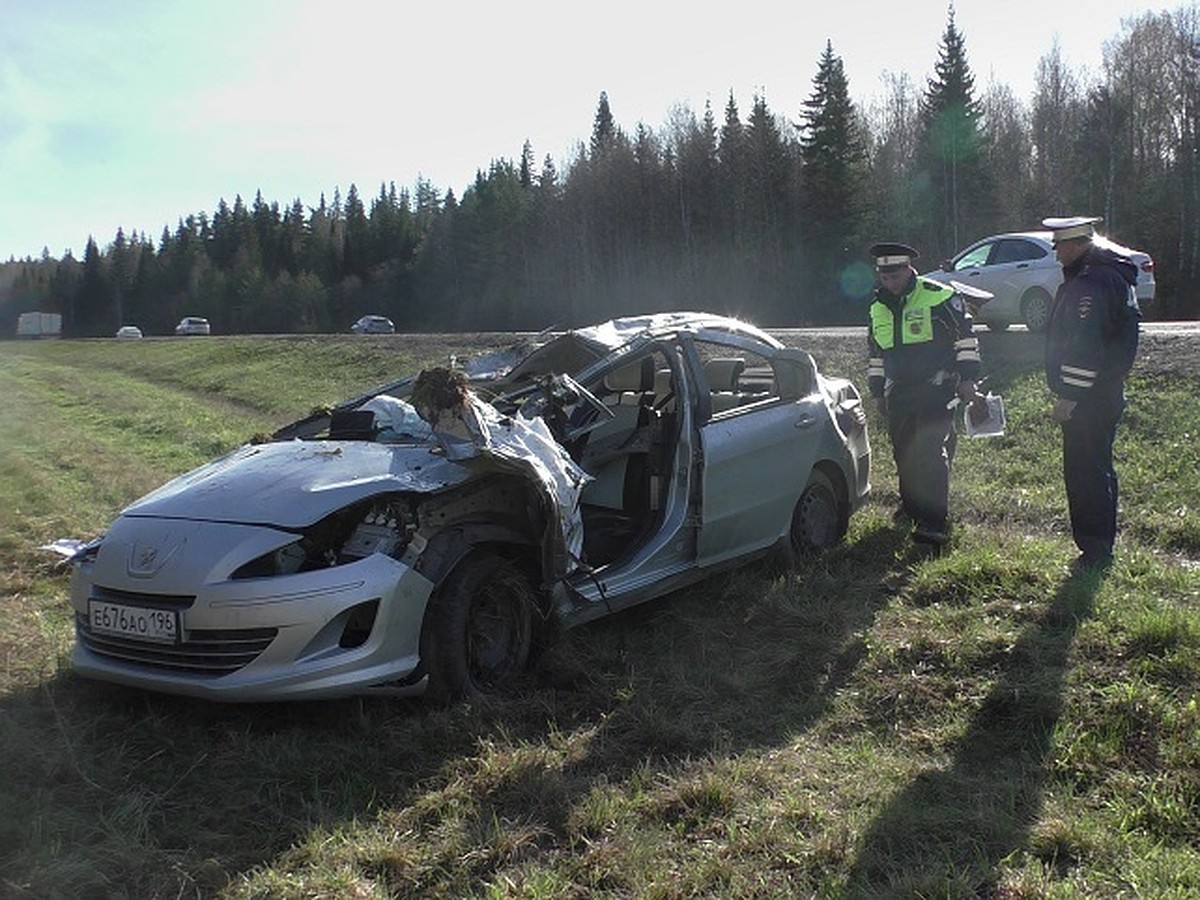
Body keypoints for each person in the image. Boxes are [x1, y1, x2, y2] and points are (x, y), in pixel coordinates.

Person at [866, 242, 982, 545]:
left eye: (895, 275)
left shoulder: (938, 296)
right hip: (899, 392)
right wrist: (877, 392)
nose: (890, 281)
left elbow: (965, 340)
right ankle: (912, 509)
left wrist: (968, 378)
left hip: (937, 388)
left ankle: (934, 522)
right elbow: (876, 354)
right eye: (884, 276)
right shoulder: (877, 307)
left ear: (908, 270)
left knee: (929, 453)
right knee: (903, 453)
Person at [1042, 216, 1141, 570]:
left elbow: (1086, 343)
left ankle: (1095, 549)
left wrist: (1070, 395)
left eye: (1059, 248)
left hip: (1089, 398)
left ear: (1075, 245)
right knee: (1098, 469)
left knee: (1086, 474)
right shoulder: (1109, 273)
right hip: (1105, 392)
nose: (1057, 256)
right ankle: (1099, 543)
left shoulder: (1091, 281)